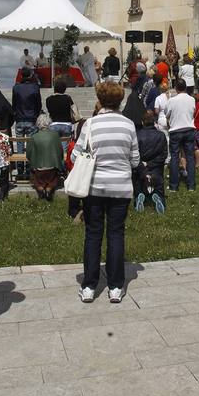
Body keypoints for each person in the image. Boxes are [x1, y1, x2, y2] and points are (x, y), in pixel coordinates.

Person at [72, 82, 139, 303]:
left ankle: (90, 285)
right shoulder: (128, 125)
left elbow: (75, 157)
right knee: (116, 234)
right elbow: (135, 159)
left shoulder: (90, 124)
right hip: (120, 187)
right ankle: (116, 286)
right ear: (120, 100)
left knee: (93, 235)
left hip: (94, 187)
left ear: (99, 98)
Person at [165, 78, 196, 192]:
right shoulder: (191, 99)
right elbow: (192, 111)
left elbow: (166, 113)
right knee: (190, 157)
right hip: (188, 129)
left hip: (176, 130)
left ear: (176, 88)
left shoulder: (172, 100)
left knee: (174, 157)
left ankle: (174, 186)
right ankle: (191, 185)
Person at [134, 111, 167, 213]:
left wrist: (143, 164)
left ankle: (139, 197)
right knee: (158, 184)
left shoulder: (137, 135)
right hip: (156, 167)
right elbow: (164, 155)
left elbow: (134, 155)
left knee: (138, 182)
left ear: (142, 122)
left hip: (141, 167)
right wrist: (151, 164)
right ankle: (160, 198)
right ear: (154, 122)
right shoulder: (161, 135)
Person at [26, 114, 64, 200]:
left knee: (36, 178)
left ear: (38, 124)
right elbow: (60, 152)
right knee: (52, 178)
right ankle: (49, 189)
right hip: (52, 167)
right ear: (49, 123)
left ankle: (41, 189)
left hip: (38, 168)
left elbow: (28, 154)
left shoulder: (34, 137)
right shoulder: (55, 136)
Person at [12, 67, 42, 176]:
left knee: (19, 144)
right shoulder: (35, 87)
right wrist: (36, 115)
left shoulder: (16, 88)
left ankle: (20, 169)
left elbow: (14, 104)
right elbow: (39, 104)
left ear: (21, 76)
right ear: (30, 75)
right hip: (31, 118)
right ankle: (29, 169)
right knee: (30, 146)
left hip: (20, 118)